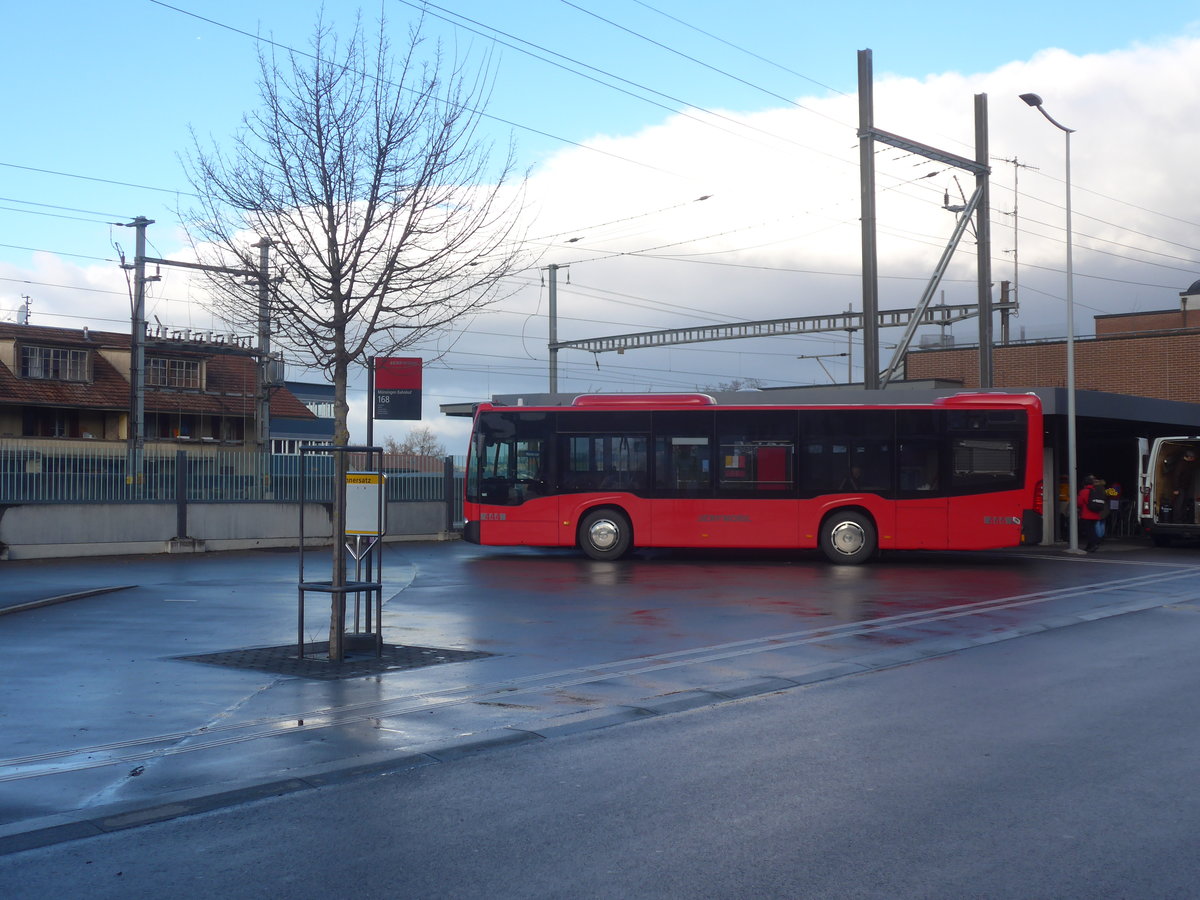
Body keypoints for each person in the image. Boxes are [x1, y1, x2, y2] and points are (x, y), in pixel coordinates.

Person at [1077, 474, 1104, 552]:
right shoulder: (1096, 491)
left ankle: (1093, 544)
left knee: (1088, 531)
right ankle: (1090, 546)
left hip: (1086, 514)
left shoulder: (1083, 491)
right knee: (1092, 530)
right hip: (1095, 514)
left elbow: (1079, 503)